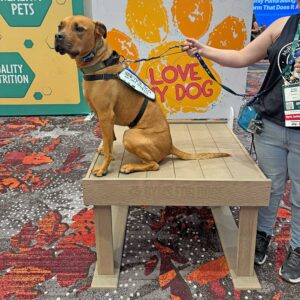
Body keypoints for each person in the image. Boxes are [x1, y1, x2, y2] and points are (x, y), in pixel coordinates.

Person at [183, 8, 300, 284]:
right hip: (270, 124)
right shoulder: (283, 25)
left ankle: (297, 248)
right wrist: (204, 50)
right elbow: (242, 57)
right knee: (267, 187)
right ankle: (261, 236)